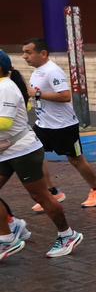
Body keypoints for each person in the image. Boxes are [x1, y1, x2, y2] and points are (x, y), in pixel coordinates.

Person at [0, 50, 83, 258]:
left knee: (41, 195)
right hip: (5, 152)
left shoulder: (6, 87)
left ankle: (68, 235)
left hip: (23, 151)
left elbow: (4, 122)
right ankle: (8, 236)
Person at [21, 38, 96, 210]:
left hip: (63, 126)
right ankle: (52, 192)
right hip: (43, 125)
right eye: (24, 53)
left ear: (43, 53)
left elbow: (65, 96)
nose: (24, 56)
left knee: (76, 160)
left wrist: (37, 94)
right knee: (35, 157)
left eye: (28, 52)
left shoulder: (52, 71)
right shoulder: (37, 71)